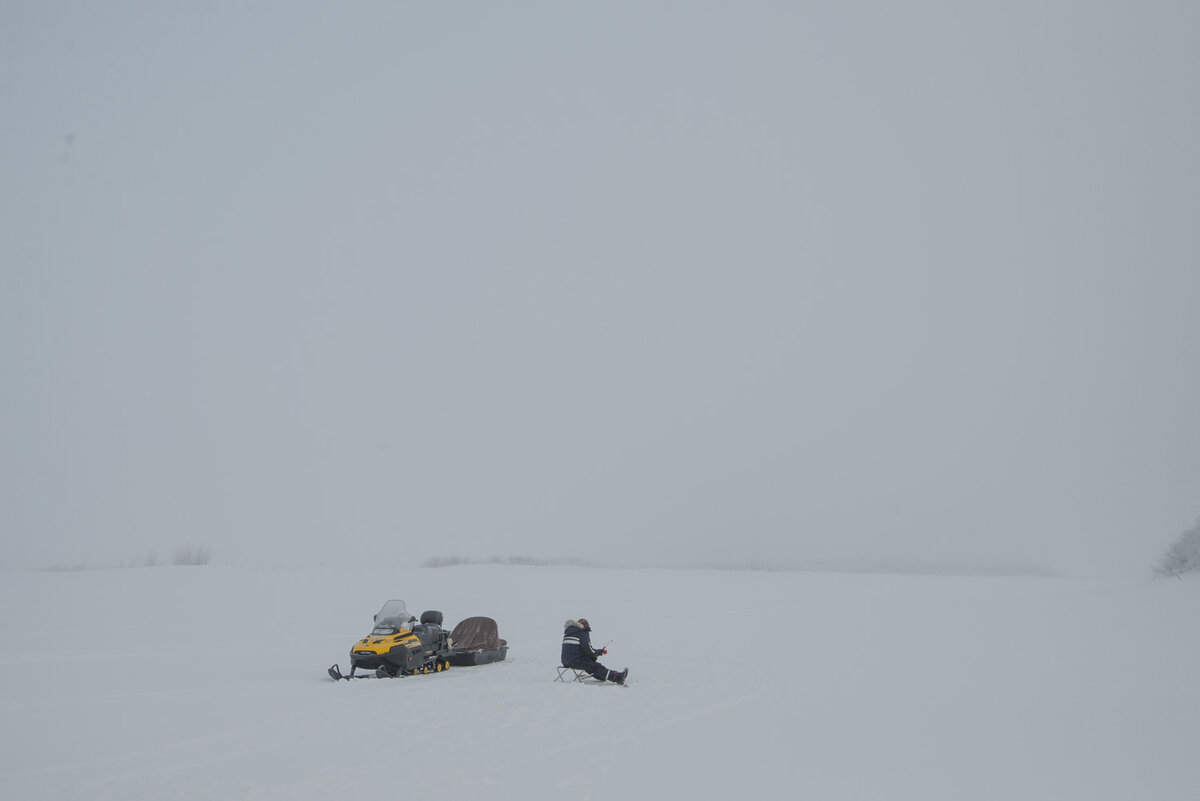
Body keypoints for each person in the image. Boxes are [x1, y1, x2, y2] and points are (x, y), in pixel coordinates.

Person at [561, 618, 627, 684]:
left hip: (565, 661)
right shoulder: (583, 632)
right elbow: (589, 650)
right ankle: (618, 677)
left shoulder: (568, 633)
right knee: (596, 666)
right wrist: (598, 652)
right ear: (585, 625)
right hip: (576, 662)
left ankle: (602, 676)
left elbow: (577, 650)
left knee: (590, 664)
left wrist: (595, 654)